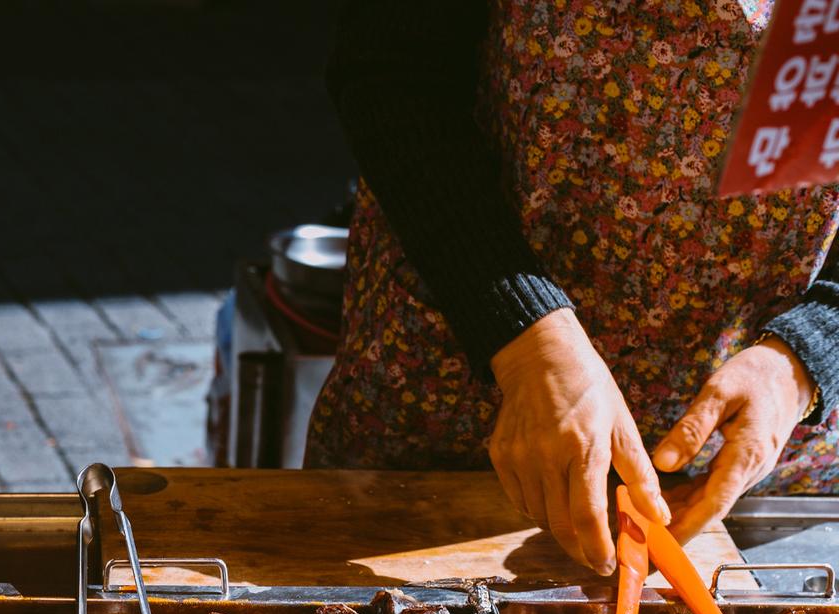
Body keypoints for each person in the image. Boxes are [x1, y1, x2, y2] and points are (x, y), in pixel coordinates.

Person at [308, 0, 839, 575]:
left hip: (764, 450)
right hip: (462, 378)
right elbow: (390, 67)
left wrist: (811, 348)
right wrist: (525, 337)